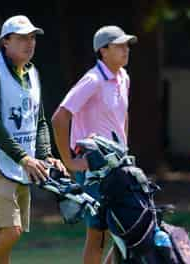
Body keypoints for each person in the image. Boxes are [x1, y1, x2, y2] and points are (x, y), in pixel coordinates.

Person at [0, 15, 66, 264]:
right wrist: (24, 158)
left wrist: (45, 155)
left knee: (7, 238)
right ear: (5, 42)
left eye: (32, 38)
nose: (29, 43)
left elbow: (39, 119)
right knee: (9, 233)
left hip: (20, 166)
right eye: (22, 38)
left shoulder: (32, 73)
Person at [51, 25, 137, 264]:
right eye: (119, 45)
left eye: (126, 45)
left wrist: (124, 152)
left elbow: (124, 117)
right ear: (103, 51)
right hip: (94, 170)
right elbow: (60, 117)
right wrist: (69, 161)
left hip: (117, 166)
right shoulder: (93, 80)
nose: (125, 50)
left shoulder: (123, 77)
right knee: (98, 234)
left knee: (126, 229)